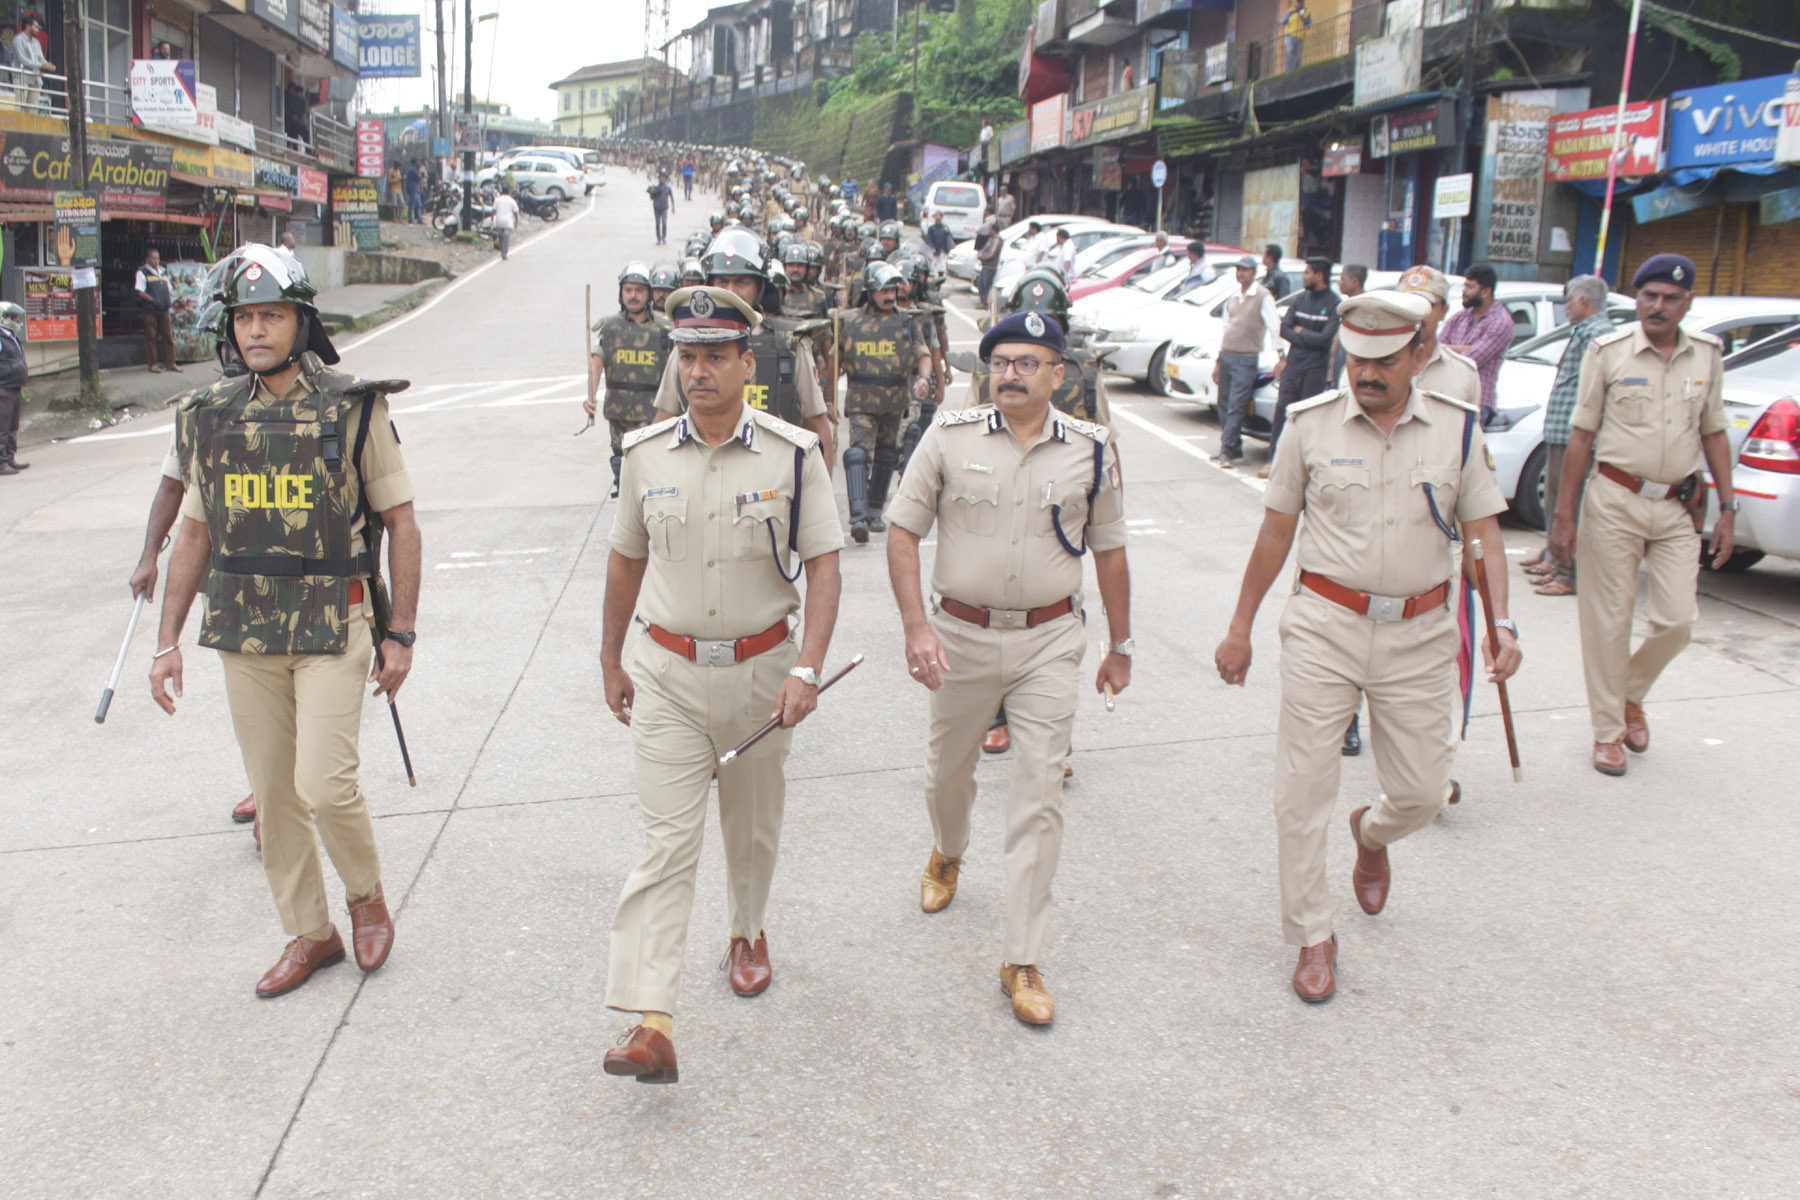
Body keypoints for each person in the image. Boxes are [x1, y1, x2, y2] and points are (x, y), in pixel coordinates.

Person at [1213, 290, 1520, 1004]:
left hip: (1420, 633)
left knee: (1422, 792)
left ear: (1420, 354)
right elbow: (1275, 531)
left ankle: (1373, 834)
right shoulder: (1309, 426)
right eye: (1357, 359)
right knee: (1301, 791)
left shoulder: (1458, 430)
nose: (1367, 373)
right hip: (1325, 624)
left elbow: (1483, 533)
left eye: (1385, 360)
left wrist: (1503, 623)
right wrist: (1240, 627)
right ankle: (1313, 934)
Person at [148, 244, 420, 998]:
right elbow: (195, 533)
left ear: (301, 322)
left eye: (271, 315)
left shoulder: (354, 406)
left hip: (335, 621)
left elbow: (402, 521)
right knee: (274, 794)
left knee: (324, 785)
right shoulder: (210, 415)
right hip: (247, 630)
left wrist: (400, 634)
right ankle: (310, 933)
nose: (257, 330)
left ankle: (364, 895)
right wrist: (167, 641)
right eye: (245, 318)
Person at [598, 285, 844, 1086]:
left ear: (746, 363)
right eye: (688, 356)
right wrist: (609, 658)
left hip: (761, 675)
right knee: (666, 846)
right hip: (666, 674)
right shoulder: (643, 455)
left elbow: (826, 565)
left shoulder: (792, 455)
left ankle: (747, 929)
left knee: (751, 826)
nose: (698, 371)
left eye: (714, 356)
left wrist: (808, 667)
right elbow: (625, 560)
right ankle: (652, 1021)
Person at [885, 309, 1132, 1028]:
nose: (1011, 375)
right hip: (959, 637)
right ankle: (948, 850)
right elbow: (902, 531)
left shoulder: (1091, 449)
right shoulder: (948, 435)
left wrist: (1121, 645)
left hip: (1049, 639)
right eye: (1000, 363)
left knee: (1039, 793)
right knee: (947, 774)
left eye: (1028, 363)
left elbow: (1111, 549)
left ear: (1058, 373)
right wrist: (916, 628)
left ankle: (1021, 958)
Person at [1546, 254, 1737, 779]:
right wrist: (1564, 517)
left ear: (1687, 304)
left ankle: (1630, 693)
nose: (1658, 306)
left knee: (1678, 622)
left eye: (1671, 298)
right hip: (1614, 499)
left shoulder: (1707, 355)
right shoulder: (1609, 352)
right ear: (1637, 299)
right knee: (1608, 622)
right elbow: (1581, 435)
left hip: (1676, 506)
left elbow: (1714, 432)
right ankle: (1607, 731)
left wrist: (1728, 508)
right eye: (1649, 296)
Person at [648, 229, 835, 466]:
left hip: (773, 476)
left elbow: (817, 427)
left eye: (741, 282)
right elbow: (664, 420)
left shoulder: (790, 346)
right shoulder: (687, 346)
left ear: (760, 286)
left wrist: (821, 487)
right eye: (722, 281)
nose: (731, 291)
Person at [1525, 275, 1613, 597]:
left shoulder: (1598, 335)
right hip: (1562, 430)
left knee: (1569, 503)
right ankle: (1555, 558)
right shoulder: (1584, 332)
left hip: (1575, 433)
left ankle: (1568, 571)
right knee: (1555, 499)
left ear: (1583, 301)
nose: (1566, 308)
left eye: (1569, 301)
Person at [837, 261, 934, 543]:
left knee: (887, 456)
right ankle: (858, 517)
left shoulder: (907, 322)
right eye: (883, 291)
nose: (890, 296)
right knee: (858, 455)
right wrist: (828, 398)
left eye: (893, 290)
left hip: (894, 401)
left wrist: (924, 378)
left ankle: (875, 511)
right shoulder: (849, 322)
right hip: (862, 400)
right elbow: (834, 359)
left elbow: (923, 354)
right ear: (870, 292)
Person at [586, 262, 674, 498]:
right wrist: (591, 396)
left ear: (648, 293)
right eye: (628, 290)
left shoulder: (665, 329)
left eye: (639, 290)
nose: (633, 295)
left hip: (653, 413)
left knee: (652, 468)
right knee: (622, 467)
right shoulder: (610, 327)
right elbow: (597, 362)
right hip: (620, 412)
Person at [1263, 256, 1340, 475]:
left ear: (1319, 275)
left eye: (1307, 272)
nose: (1304, 277)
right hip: (1294, 366)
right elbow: (1284, 329)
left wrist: (1301, 332)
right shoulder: (1300, 299)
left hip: (1315, 369)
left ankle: (1302, 465)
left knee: (1308, 416)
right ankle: (1273, 460)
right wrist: (1307, 337)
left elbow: (1325, 339)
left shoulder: (1333, 303)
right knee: (1283, 410)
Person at [1211, 255, 1280, 469]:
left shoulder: (1262, 296)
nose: (1240, 273)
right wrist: (1218, 361)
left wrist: (1281, 355)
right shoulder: (1233, 298)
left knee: (1236, 405)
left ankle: (1226, 450)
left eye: (1245, 269)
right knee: (1223, 404)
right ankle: (1233, 447)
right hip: (1227, 355)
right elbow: (1225, 330)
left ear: (1254, 272)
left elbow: (1274, 326)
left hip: (1246, 358)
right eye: (1238, 269)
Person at [1387, 266, 1480, 406]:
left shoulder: (1464, 373)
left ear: (1444, 311)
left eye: (1427, 305)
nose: (1417, 313)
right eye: (1409, 304)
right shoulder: (1371, 369)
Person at [1440, 263, 1513, 412]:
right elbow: (1436, 349)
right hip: (1450, 396)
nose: (1464, 291)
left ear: (1486, 292)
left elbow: (1469, 360)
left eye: (1470, 287)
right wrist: (1462, 348)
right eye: (1464, 286)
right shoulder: (1460, 316)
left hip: (1477, 403)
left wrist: (1448, 349)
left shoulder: (1500, 322)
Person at [135, 249, 180, 375]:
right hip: (150, 310)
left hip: (164, 309)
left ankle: (171, 363)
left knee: (168, 337)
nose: (156, 261)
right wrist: (153, 300)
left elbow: (169, 288)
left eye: (157, 258)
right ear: (147, 259)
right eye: (153, 258)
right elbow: (139, 291)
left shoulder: (163, 272)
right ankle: (153, 364)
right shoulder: (142, 272)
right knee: (151, 337)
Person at [0, 301, 28, 475]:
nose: (17, 321)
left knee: (12, 426)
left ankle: (10, 458)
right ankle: (1, 463)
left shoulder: (11, 336)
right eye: (13, 317)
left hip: (15, 387)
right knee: (2, 428)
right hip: (4, 388)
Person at [1329, 263, 1368, 382]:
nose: (1339, 283)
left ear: (1354, 282)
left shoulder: (1365, 307)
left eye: (1342, 279)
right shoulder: (1345, 306)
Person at [10, 14, 52, 112]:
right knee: (20, 106)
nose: (38, 29)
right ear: (28, 26)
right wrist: (41, 65)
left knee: (33, 109)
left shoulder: (36, 42)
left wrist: (47, 65)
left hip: (35, 78)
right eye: (36, 27)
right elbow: (22, 60)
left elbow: (41, 58)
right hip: (22, 77)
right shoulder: (18, 40)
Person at [974, 220, 1002, 307]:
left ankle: (985, 302)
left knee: (986, 285)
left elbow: (991, 253)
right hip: (985, 265)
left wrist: (982, 256)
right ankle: (983, 301)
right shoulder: (991, 238)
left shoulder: (997, 240)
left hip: (990, 266)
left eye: (990, 229)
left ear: (994, 230)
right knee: (980, 283)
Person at [1281, 0, 1311, 71]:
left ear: (1303, 3)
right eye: (1298, 2)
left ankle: (1297, 71)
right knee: (1290, 53)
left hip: (1300, 37)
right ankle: (1289, 71)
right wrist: (1290, 14)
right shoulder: (1290, 11)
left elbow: (1308, 25)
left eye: (1300, 2)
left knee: (1298, 56)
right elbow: (1283, 22)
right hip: (1290, 36)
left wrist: (1302, 17)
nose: (1299, 3)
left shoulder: (1306, 13)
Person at [491, 187, 520, 260]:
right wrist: (516, 222)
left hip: (499, 221)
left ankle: (502, 251)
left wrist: (492, 220)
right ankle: (504, 254)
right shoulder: (511, 200)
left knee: (501, 236)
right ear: (509, 192)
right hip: (508, 222)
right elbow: (516, 212)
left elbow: (493, 210)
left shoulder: (497, 199)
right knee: (506, 238)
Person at [647, 173, 674, 245]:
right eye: (660, 178)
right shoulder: (656, 188)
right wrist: (651, 193)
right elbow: (651, 198)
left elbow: (671, 197)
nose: (662, 179)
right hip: (657, 208)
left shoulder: (668, 188)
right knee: (658, 223)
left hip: (664, 208)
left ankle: (664, 237)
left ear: (665, 179)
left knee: (664, 223)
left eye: (663, 178)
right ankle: (658, 238)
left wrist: (673, 207)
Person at [404, 160, 424, 224]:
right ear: (415, 163)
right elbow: (418, 178)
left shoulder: (413, 170)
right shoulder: (412, 170)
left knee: (419, 204)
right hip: (413, 189)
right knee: (412, 204)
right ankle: (411, 219)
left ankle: (419, 218)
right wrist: (421, 175)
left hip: (415, 189)